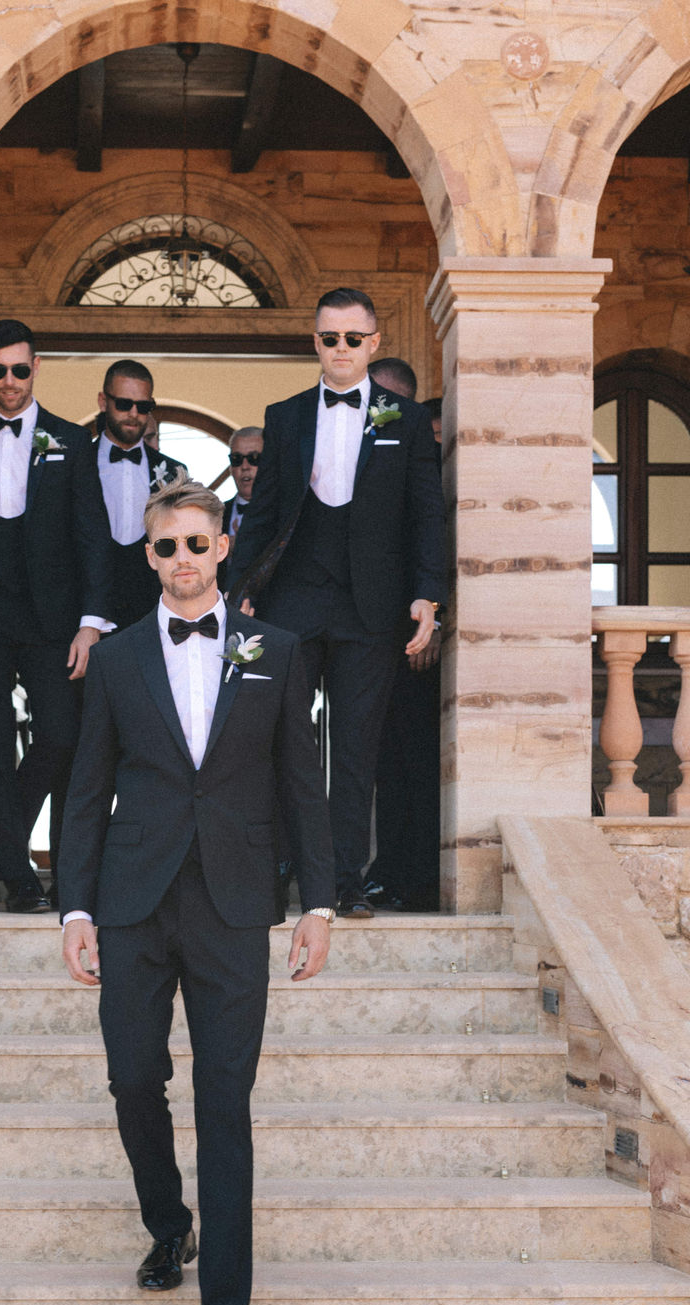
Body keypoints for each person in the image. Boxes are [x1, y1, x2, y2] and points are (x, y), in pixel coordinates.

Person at [59, 469, 336, 1305]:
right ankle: (166, 1221)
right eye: (164, 545)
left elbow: (303, 780)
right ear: (150, 556)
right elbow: (86, 791)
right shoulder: (122, 655)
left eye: (195, 542)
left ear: (221, 548)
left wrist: (319, 902)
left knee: (226, 1103)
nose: (180, 558)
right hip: (133, 901)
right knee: (134, 1077)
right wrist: (76, 908)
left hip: (232, 901)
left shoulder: (277, 648)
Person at [226, 287, 447, 918]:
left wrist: (428, 596)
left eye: (354, 338)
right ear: (315, 342)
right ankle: (279, 873)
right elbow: (263, 515)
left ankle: (344, 883)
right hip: (292, 604)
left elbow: (426, 517)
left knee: (355, 752)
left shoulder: (403, 421)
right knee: (284, 744)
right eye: (330, 338)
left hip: (371, 612)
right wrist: (239, 593)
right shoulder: (286, 415)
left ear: (374, 344)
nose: (341, 349)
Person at [0, 317, 114, 912]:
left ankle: (5, 839)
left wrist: (92, 622)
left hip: (52, 621)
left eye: (19, 369)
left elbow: (93, 536)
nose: (9, 381)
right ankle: (18, 879)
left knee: (61, 734)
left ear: (35, 367)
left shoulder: (72, 440)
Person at [364, 370, 442, 912]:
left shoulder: (432, 451)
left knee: (418, 759)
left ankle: (418, 877)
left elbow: (436, 539)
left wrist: (435, 617)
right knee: (385, 761)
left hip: (422, 633)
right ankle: (390, 870)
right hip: (375, 630)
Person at [94, 361, 185, 630]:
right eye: (123, 404)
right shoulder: (77, 464)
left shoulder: (173, 471)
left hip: (152, 615)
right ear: (103, 401)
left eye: (143, 406)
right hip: (87, 617)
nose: (133, 414)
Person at [224, 426, 264, 547]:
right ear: (231, 468)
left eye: (254, 458)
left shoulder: (287, 513)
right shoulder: (214, 515)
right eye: (237, 459)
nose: (245, 466)